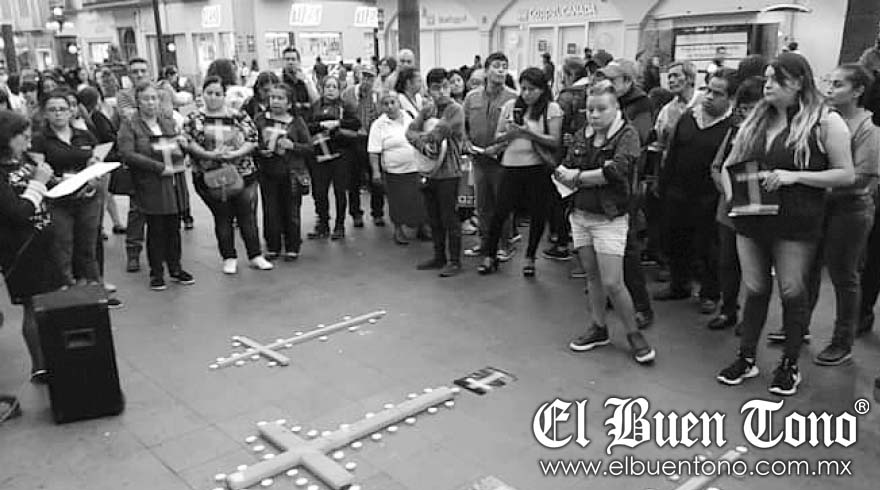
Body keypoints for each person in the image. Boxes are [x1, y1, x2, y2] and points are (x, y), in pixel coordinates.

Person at [717, 53, 855, 396]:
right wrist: (735, 201)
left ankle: (789, 364)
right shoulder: (756, 119)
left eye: (774, 79)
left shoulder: (825, 122)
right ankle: (746, 357)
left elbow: (845, 174)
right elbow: (728, 165)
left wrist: (796, 176)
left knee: (792, 291)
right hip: (751, 220)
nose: (767, 86)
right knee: (755, 289)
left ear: (797, 82)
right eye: (765, 78)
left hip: (796, 222)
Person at [559, 82, 656, 365]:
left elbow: (615, 171)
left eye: (601, 109)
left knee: (613, 282)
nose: (594, 114)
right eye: (590, 109)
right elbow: (566, 164)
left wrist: (577, 177)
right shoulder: (582, 134)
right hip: (580, 215)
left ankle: (634, 334)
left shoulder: (628, 135)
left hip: (610, 219)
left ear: (616, 108)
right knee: (592, 277)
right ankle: (598, 327)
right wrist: (573, 174)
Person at [804, 64, 880, 365]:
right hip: (820, 205)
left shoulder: (868, 128)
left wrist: (818, 185)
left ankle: (842, 340)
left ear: (858, 90)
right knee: (809, 268)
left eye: (839, 84)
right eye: (829, 82)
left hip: (850, 210)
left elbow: (861, 178)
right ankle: (798, 325)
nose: (830, 89)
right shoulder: (824, 119)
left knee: (844, 275)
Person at [655, 69, 736, 313]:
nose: (709, 96)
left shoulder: (732, 127)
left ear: (731, 98)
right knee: (676, 240)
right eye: (708, 90)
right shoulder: (689, 117)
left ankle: (710, 293)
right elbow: (672, 153)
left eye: (718, 93)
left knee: (708, 247)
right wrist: (663, 185)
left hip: (710, 196)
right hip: (679, 191)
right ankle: (679, 284)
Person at [0, 110, 66, 389]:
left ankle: (54, 357)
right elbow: (17, 212)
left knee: (50, 298)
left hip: (43, 239)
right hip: (20, 248)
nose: (28, 144)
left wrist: (66, 183)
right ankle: (40, 366)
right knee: (32, 303)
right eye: (23, 138)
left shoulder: (22, 162)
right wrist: (38, 182)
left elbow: (44, 187)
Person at [182, 76, 273, 274]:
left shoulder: (238, 116)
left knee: (247, 215)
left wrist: (236, 153)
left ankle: (255, 255)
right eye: (209, 93)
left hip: (242, 173)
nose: (213, 97)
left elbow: (252, 139)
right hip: (210, 176)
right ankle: (229, 257)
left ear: (224, 95)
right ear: (203, 94)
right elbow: (188, 142)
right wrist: (208, 154)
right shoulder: (193, 119)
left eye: (218, 93)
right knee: (223, 217)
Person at [478, 67, 560, 277]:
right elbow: (497, 136)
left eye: (532, 89)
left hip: (537, 167)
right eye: (523, 88)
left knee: (538, 214)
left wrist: (529, 133)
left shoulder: (551, 109)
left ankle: (530, 257)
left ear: (542, 89)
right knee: (500, 212)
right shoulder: (510, 106)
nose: (526, 94)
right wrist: (510, 133)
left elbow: (555, 141)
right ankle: (490, 255)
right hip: (510, 165)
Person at [118, 82, 194, 290]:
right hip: (149, 182)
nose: (151, 103)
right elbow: (127, 154)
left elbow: (175, 149)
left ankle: (176, 268)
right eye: (145, 99)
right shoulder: (130, 125)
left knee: (173, 227)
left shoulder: (167, 122)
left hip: (173, 181)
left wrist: (183, 147)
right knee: (156, 228)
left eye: (154, 98)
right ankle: (157, 272)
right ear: (138, 101)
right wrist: (158, 167)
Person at [707, 76, 764, 331]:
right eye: (743, 108)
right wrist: (729, 192)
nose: (747, 114)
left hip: (760, 211)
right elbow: (716, 166)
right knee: (727, 263)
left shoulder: (774, 136)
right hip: (729, 210)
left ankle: (752, 318)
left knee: (755, 269)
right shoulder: (734, 131)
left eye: (753, 108)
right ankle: (728, 309)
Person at [30, 89, 102, 287]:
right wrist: (58, 181)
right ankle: (67, 291)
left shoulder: (85, 135)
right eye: (52, 110)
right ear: (45, 114)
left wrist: (94, 177)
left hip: (87, 198)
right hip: (58, 201)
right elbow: (38, 170)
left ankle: (93, 289)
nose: (58, 113)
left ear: (71, 111)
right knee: (63, 247)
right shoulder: (40, 140)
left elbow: (96, 160)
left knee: (88, 247)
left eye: (62, 109)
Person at [406, 68, 466, 277]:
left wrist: (421, 138)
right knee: (434, 218)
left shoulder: (455, 110)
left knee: (450, 218)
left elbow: (439, 132)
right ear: (429, 90)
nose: (441, 92)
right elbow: (409, 132)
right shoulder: (427, 110)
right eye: (435, 87)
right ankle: (439, 257)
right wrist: (423, 146)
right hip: (429, 173)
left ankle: (455, 261)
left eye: (445, 86)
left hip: (449, 172)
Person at [462, 53, 518, 262]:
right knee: (482, 205)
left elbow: (516, 130)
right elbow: (463, 124)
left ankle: (505, 245)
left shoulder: (513, 98)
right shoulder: (471, 97)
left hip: (502, 160)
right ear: (486, 71)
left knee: (502, 204)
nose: (501, 70)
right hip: (478, 159)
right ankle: (485, 243)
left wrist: (498, 147)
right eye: (496, 66)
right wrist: (466, 141)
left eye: (504, 66)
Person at [253, 83, 312, 261]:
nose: (276, 101)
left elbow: (309, 148)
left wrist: (292, 146)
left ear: (289, 103)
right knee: (270, 211)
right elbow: (251, 141)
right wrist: (260, 150)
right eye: (273, 97)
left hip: (291, 174)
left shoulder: (296, 122)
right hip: (267, 173)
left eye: (280, 98)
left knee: (291, 211)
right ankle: (272, 246)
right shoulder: (260, 119)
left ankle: (292, 246)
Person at [369, 91, 427, 245]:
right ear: (381, 106)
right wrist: (375, 172)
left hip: (415, 167)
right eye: (385, 104)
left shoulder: (410, 117)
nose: (390, 106)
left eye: (392, 102)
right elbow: (373, 151)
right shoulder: (378, 125)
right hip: (394, 171)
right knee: (397, 203)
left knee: (419, 199)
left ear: (398, 103)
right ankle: (398, 230)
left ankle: (422, 227)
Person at [307, 76, 361, 240]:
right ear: (322, 89)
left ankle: (339, 225)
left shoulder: (346, 107)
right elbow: (306, 127)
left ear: (339, 90)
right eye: (327, 86)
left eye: (334, 87)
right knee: (320, 192)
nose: (330, 90)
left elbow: (355, 125)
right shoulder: (315, 107)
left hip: (341, 154)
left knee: (340, 191)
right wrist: (322, 125)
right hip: (320, 155)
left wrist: (338, 124)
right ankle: (323, 224)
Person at [341, 65, 385, 228]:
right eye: (365, 76)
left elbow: (381, 116)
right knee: (354, 179)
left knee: (375, 177)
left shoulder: (377, 96)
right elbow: (343, 116)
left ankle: (378, 213)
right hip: (354, 141)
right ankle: (356, 214)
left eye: (370, 77)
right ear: (359, 76)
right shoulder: (348, 93)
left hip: (372, 141)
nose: (367, 80)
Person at [281, 47, 321, 119]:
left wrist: (305, 82)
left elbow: (316, 100)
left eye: (293, 59)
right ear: (283, 62)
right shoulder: (280, 80)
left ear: (299, 62)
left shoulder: (306, 79)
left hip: (306, 119)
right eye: (287, 59)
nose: (290, 62)